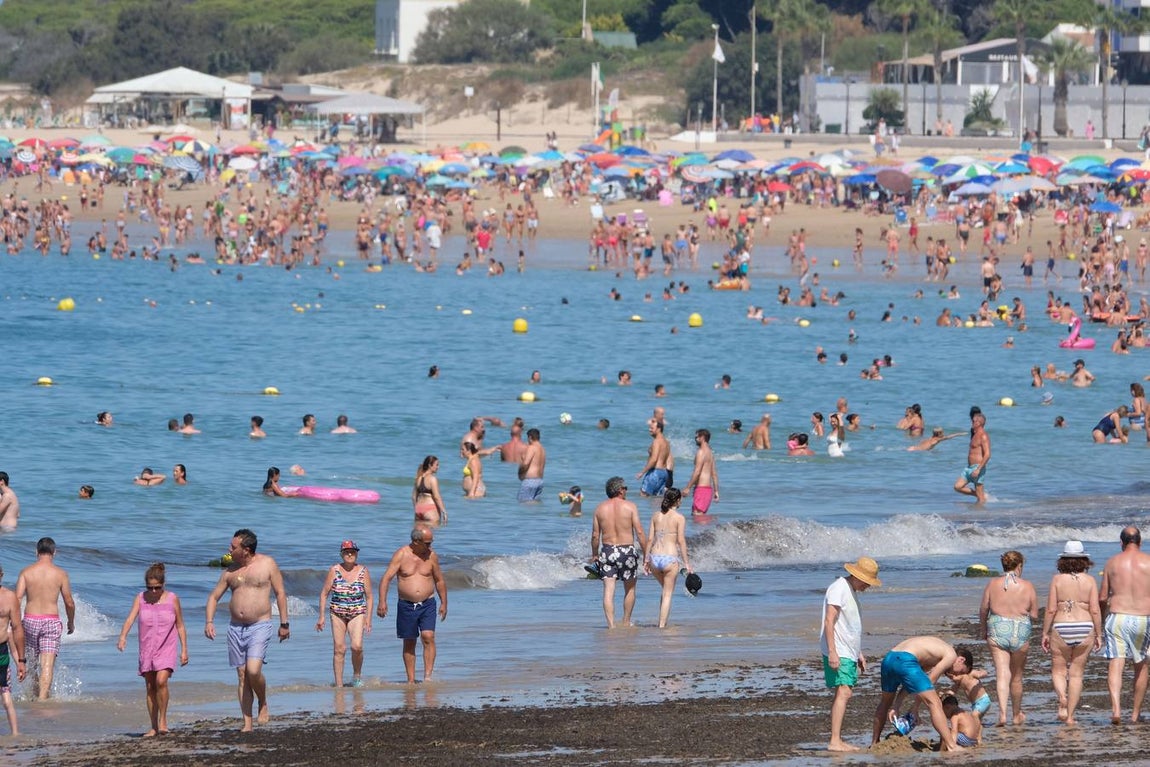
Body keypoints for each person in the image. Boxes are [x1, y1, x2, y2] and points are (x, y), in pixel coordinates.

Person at [204, 529, 291, 731]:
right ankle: (247, 723)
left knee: (253, 671)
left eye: (233, 547)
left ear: (246, 550)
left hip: (260, 624)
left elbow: (280, 593)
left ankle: (263, 701)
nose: (229, 549)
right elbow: (213, 597)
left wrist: (284, 624)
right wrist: (209, 621)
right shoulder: (230, 571)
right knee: (242, 675)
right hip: (235, 627)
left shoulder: (267, 564)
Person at [115, 563, 189, 736]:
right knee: (150, 686)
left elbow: (180, 626)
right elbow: (130, 619)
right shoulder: (141, 598)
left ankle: (163, 721)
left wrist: (184, 649)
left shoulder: (172, 599)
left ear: (163, 585)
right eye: (150, 587)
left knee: (161, 681)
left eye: (157, 588)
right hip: (147, 647)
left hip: (167, 647)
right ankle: (153, 726)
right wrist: (122, 637)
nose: (153, 591)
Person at [820, 556, 881, 752]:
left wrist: (859, 653)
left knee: (844, 692)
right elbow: (829, 621)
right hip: (838, 650)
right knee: (844, 691)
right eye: (868, 583)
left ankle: (836, 739)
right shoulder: (839, 588)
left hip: (848, 650)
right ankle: (835, 741)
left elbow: (849, 627)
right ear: (859, 577)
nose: (868, 587)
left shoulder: (850, 591)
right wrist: (832, 652)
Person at [1040, 540, 1103, 724]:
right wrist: (1099, 634)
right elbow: (1095, 610)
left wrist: (1045, 633)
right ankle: (1070, 716)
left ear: (1063, 561)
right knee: (1077, 673)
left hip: (1061, 626)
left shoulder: (1057, 580)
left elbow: (1051, 609)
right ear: (1084, 560)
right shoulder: (1090, 581)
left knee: (1058, 669)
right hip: (1085, 626)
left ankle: (1062, 697)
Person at [376, 526, 448, 684]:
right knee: (409, 641)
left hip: (428, 603)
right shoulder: (401, 555)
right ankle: (410, 680)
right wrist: (382, 601)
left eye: (431, 543)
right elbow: (386, 578)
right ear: (416, 542)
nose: (430, 547)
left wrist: (444, 602)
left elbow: (439, 580)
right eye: (427, 543)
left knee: (428, 636)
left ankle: (427, 677)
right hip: (406, 605)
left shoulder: (432, 556)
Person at [871, 636, 966, 751]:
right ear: (961, 660)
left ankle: (874, 742)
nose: (954, 676)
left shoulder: (933, 652)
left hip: (889, 659)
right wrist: (915, 708)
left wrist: (896, 705)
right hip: (906, 659)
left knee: (885, 702)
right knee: (935, 703)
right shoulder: (951, 655)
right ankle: (952, 746)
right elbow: (931, 679)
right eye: (960, 671)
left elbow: (911, 681)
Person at [978, 550, 1038, 726]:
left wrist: (983, 629)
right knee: (1017, 676)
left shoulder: (992, 584)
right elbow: (1034, 614)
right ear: (1019, 566)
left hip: (998, 627)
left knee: (1002, 673)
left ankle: (1002, 714)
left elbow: (983, 609)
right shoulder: (1027, 585)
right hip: (1020, 629)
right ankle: (1016, 714)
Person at [1099, 526, 1150, 723]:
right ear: (1140, 542)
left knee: (1116, 664)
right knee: (1141, 666)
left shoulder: (1112, 562)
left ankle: (1116, 710)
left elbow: (1103, 597)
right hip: (1143, 617)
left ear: (1121, 543)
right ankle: (1135, 714)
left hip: (1118, 616)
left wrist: (1101, 619)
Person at [15, 537, 75, 699]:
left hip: (30, 620)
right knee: (47, 664)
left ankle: (34, 695)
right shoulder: (61, 574)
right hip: (51, 621)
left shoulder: (26, 572)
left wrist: (13, 623)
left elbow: (17, 599)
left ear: (36, 552)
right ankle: (42, 698)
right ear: (54, 552)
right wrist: (71, 622)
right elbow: (69, 602)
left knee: (33, 662)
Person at [590, 477, 648, 629]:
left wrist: (595, 554)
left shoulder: (599, 509)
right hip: (626, 551)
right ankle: (626, 621)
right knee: (630, 588)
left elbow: (595, 536)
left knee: (608, 590)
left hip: (608, 551)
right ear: (620, 490)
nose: (626, 490)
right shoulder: (630, 507)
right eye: (625, 487)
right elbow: (640, 532)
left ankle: (611, 626)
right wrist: (646, 553)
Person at [316, 540, 373, 688]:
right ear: (342, 554)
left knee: (357, 646)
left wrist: (368, 618)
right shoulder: (334, 570)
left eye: (352, 552)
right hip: (337, 613)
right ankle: (339, 685)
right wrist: (321, 617)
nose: (350, 554)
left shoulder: (363, 571)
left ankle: (356, 676)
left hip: (358, 612)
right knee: (339, 648)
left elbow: (370, 596)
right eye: (347, 552)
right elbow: (324, 594)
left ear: (356, 554)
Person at [644, 488, 692, 628]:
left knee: (665, 590)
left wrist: (646, 559)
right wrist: (687, 563)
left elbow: (650, 540)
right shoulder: (679, 518)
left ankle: (662, 621)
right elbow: (681, 541)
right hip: (670, 559)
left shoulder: (655, 515)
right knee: (667, 594)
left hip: (654, 558)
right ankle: (662, 625)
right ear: (677, 500)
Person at [0, 563, 24, 735]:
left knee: (6, 695)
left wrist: (20, 661)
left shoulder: (10, 597)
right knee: (6, 695)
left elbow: (16, 630)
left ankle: (15, 733)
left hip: (2, 652)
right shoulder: (9, 597)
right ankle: (15, 733)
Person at [944, 647, 991, 719]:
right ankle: (979, 728)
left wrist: (982, 673)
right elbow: (954, 690)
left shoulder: (971, 673)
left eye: (954, 675)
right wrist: (948, 694)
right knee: (976, 719)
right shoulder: (959, 680)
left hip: (983, 700)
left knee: (974, 716)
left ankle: (977, 729)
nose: (953, 677)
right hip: (974, 703)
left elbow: (982, 673)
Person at [954, 412, 990, 504]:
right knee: (957, 487)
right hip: (969, 468)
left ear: (978, 423)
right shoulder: (975, 434)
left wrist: (978, 469)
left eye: (973, 421)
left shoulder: (983, 435)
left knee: (980, 500)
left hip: (977, 468)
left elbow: (987, 454)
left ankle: (981, 516)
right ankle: (980, 495)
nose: (972, 423)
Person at [683, 428, 719, 515]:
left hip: (701, 489)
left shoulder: (701, 452)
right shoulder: (710, 453)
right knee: (700, 519)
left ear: (702, 437)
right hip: (708, 490)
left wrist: (688, 488)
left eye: (696, 437)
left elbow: (697, 471)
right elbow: (714, 474)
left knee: (697, 516)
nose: (695, 439)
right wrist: (716, 491)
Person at [636, 419, 671, 496]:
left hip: (655, 472)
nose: (649, 430)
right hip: (664, 473)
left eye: (652, 428)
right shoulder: (666, 442)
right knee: (656, 501)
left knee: (643, 495)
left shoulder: (656, 441)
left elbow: (654, 459)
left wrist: (642, 472)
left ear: (659, 429)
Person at [412, 456, 447, 524]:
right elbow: (437, 497)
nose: (438, 467)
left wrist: (417, 509)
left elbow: (413, 497)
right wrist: (444, 511)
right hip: (430, 509)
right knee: (431, 533)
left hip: (418, 509)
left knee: (419, 534)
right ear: (430, 465)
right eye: (436, 465)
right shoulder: (432, 479)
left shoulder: (418, 478)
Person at [517, 428, 546, 502]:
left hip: (530, 481)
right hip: (540, 481)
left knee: (523, 505)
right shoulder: (542, 449)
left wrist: (520, 473)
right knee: (534, 506)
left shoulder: (532, 447)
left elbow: (526, 464)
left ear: (530, 437)